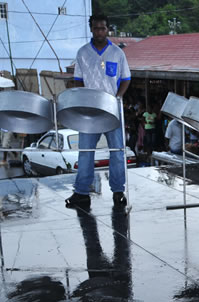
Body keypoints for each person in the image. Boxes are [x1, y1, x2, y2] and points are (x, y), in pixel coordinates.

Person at [66, 13, 131, 208]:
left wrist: (118, 97)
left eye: (103, 28)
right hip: (89, 110)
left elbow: (126, 79)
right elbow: (78, 79)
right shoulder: (83, 52)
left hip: (111, 109)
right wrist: (82, 97)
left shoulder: (118, 53)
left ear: (107, 29)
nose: (100, 31)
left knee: (117, 151)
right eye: (96, 28)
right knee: (85, 151)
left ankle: (118, 191)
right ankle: (81, 192)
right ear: (91, 29)